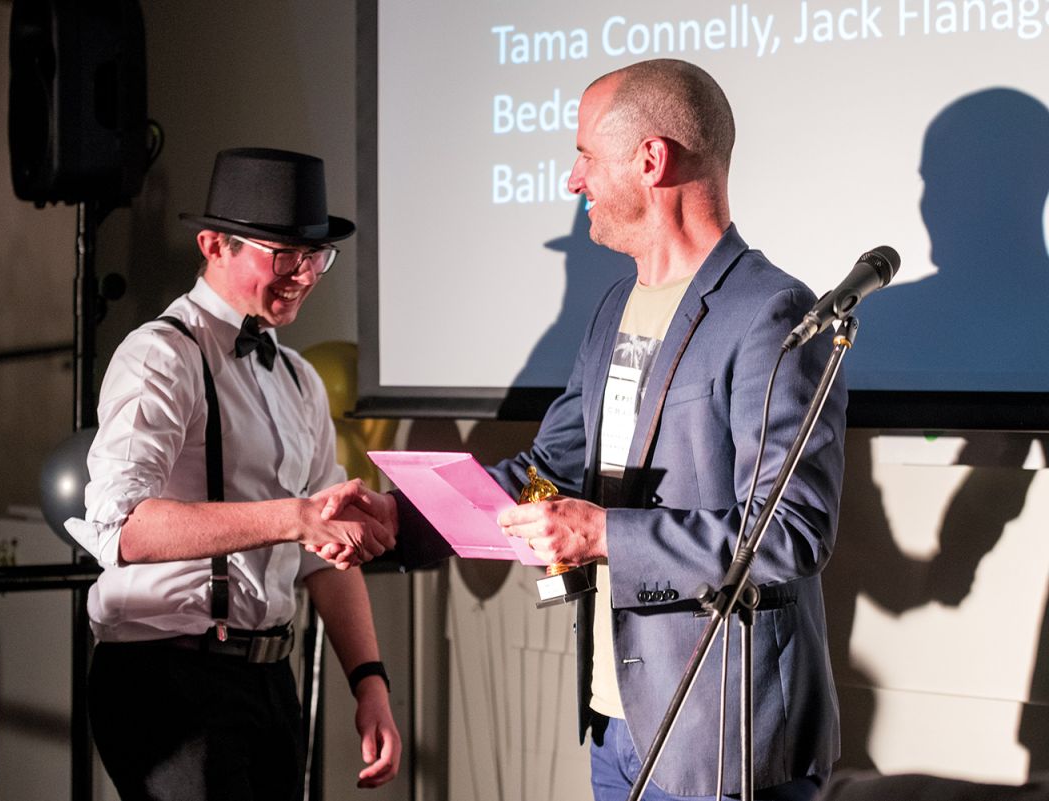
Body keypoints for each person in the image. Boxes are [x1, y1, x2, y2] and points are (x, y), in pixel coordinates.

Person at [325, 59, 847, 800]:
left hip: (718, 739)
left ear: (651, 159)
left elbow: (791, 530)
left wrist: (604, 534)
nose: (574, 181)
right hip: (616, 724)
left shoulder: (771, 313)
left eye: (585, 157)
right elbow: (552, 468)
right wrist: (403, 516)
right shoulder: (613, 308)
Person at [65, 147, 401, 800]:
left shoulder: (298, 377)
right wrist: (292, 517)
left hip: (270, 679)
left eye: (316, 256)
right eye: (283, 254)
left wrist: (371, 681)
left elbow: (323, 551)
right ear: (214, 243)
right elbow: (120, 526)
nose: (303, 274)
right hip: (169, 679)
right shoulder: (161, 355)